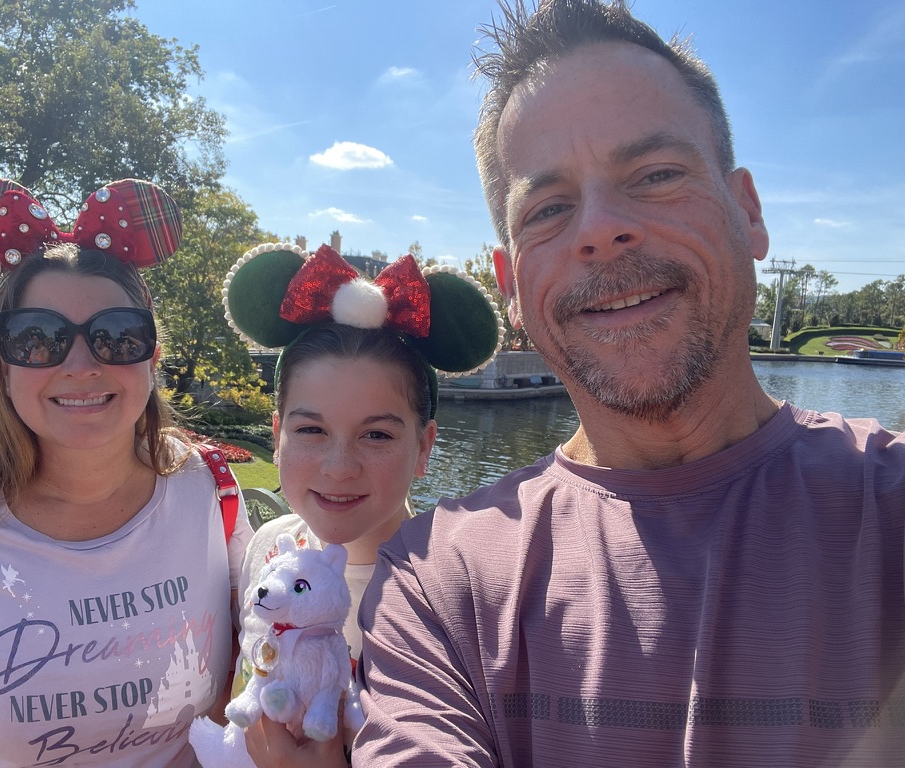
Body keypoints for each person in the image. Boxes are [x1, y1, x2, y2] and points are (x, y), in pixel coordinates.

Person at [353, 1, 905, 766]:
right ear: (510, 282)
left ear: (748, 212)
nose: (599, 229)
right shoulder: (436, 587)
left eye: (655, 175)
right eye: (549, 207)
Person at [0, 177, 253, 767]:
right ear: (0, 362)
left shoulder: (210, 491)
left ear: (153, 356)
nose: (81, 365)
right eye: (39, 339)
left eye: (117, 336)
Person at [219, 242, 503, 766]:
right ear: (277, 433)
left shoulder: (454, 595)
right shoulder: (267, 546)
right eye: (310, 429)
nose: (339, 466)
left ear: (424, 446)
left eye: (376, 435)